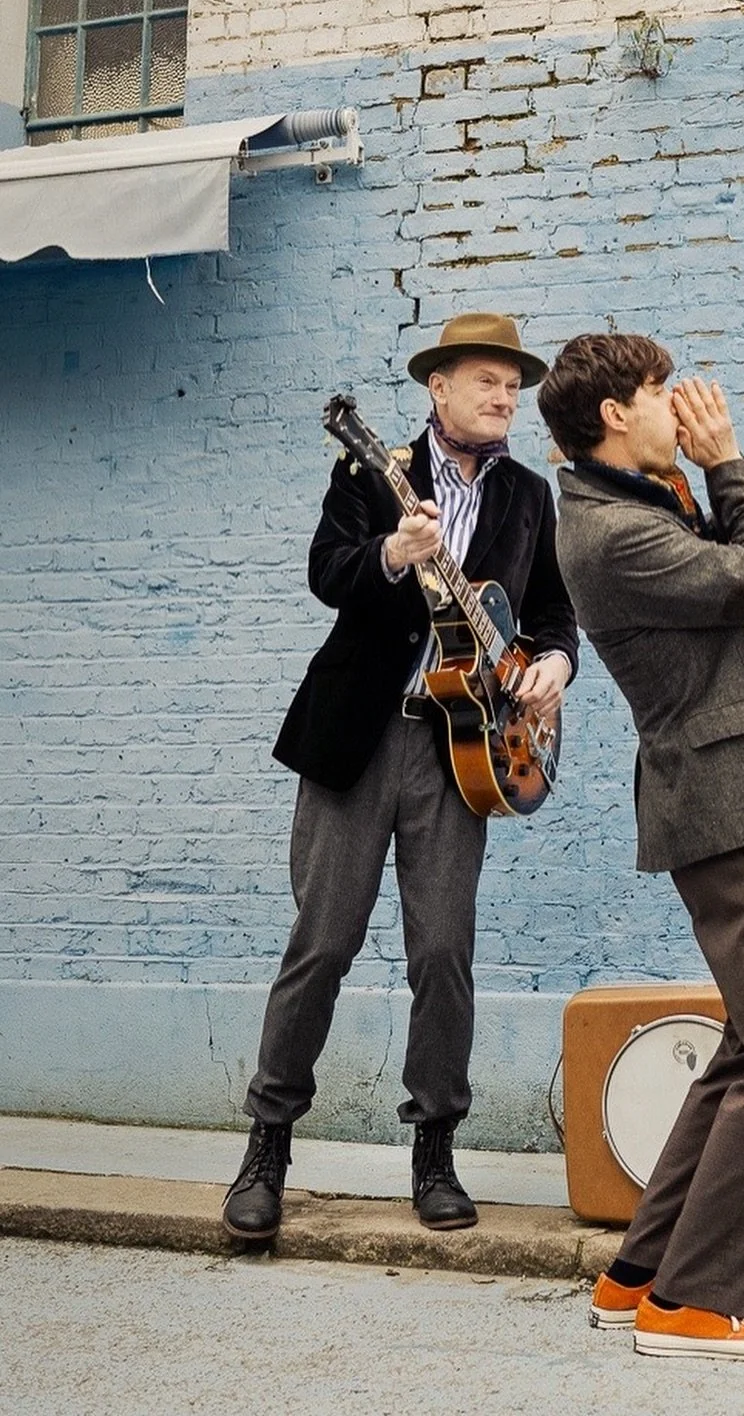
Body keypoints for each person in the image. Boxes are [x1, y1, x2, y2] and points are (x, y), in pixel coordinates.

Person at [222, 313, 578, 1241]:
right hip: (359, 738)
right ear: (439, 390)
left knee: (442, 954)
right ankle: (267, 1144)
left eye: (513, 386)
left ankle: (435, 1153)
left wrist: (553, 667)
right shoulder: (371, 473)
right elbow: (327, 573)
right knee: (323, 944)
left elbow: (550, 612)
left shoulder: (530, 497)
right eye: (487, 382)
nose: (505, 399)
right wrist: (394, 553)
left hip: (463, 750)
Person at [537, 333, 744, 1362]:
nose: (683, 405)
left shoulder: (621, 505)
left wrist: (695, 473)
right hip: (727, 801)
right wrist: (727, 463)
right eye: (661, 391)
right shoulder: (614, 530)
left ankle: (641, 1274)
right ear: (615, 414)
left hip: (727, 790)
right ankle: (701, 1303)